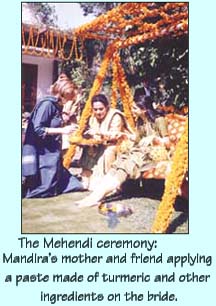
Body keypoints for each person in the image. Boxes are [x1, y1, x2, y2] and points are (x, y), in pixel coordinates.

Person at [76, 95, 170, 207]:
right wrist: (123, 135)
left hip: (152, 154)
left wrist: (154, 138)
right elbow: (137, 139)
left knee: (124, 167)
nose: (132, 111)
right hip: (139, 151)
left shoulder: (159, 120)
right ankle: (93, 197)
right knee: (117, 164)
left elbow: (167, 142)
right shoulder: (140, 121)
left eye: (135, 108)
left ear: (144, 109)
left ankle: (96, 197)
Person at [22, 79, 84, 198]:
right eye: (71, 98)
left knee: (74, 185)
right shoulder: (47, 104)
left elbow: (53, 123)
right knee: (46, 188)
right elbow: (38, 129)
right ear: (64, 94)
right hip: (43, 153)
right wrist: (63, 131)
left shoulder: (56, 106)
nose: (71, 101)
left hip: (52, 152)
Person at [79, 93, 134, 190]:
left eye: (101, 109)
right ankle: (87, 179)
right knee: (88, 148)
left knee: (110, 151)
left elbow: (115, 135)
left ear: (107, 107)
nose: (98, 112)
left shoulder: (115, 116)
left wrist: (98, 133)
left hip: (117, 144)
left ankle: (111, 183)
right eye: (95, 109)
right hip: (99, 144)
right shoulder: (92, 118)